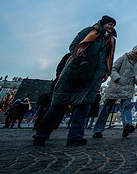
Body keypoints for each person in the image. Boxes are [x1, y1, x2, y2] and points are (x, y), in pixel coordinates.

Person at [33, 15, 117, 146]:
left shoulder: (110, 40)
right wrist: (80, 60)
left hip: (93, 76)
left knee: (84, 105)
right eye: (110, 24)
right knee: (58, 105)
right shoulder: (89, 31)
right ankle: (41, 135)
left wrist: (106, 72)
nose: (112, 27)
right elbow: (74, 46)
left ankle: (75, 136)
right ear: (103, 23)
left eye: (113, 25)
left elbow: (109, 58)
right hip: (76, 72)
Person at [92, 45, 137, 138]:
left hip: (129, 87)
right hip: (117, 86)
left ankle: (127, 126)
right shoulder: (123, 58)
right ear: (135, 51)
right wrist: (117, 79)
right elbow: (113, 69)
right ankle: (98, 130)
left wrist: (136, 78)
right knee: (107, 108)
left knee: (126, 106)